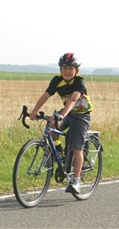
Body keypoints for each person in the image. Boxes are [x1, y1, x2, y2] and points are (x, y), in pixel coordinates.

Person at [29, 52, 93, 194]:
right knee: (52, 127)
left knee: (77, 147)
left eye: (70, 68)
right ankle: (60, 152)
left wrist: (62, 115)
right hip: (67, 112)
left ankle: (76, 180)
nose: (67, 71)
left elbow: (73, 100)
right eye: (64, 68)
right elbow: (46, 95)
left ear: (76, 70)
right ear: (60, 69)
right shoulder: (57, 80)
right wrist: (34, 111)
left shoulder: (79, 82)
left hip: (82, 115)